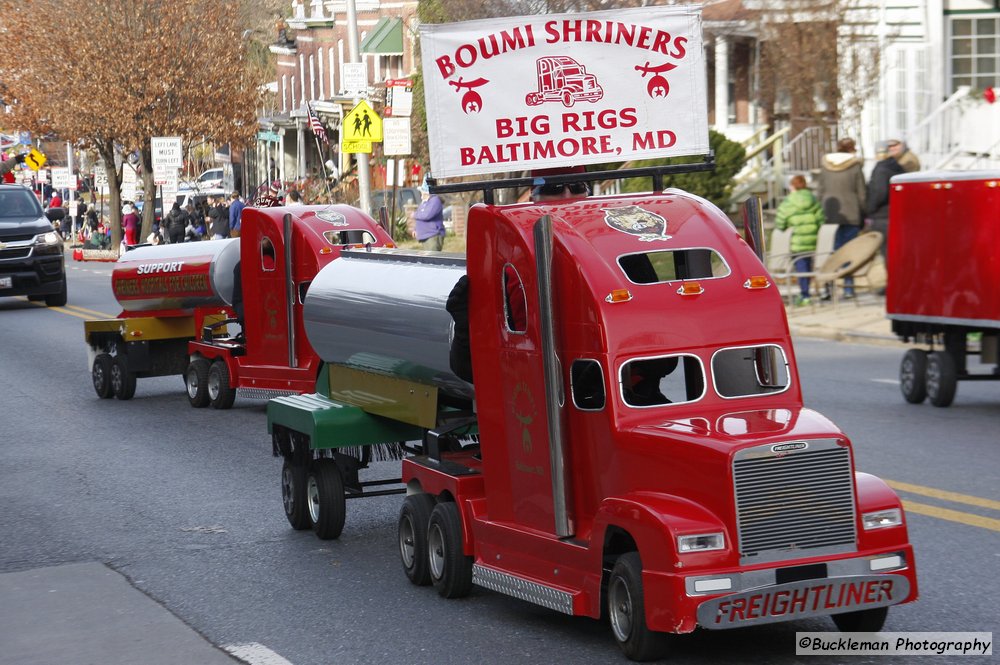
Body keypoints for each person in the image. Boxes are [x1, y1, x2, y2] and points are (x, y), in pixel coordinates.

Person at [817, 137, 866, 299]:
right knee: (848, 252)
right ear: (852, 149)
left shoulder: (825, 165)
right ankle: (848, 289)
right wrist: (864, 214)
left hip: (829, 214)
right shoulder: (855, 166)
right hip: (851, 214)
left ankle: (828, 288)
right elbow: (861, 194)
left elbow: (820, 191)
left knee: (831, 252)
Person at [774, 174, 825, 305]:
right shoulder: (813, 199)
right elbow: (821, 219)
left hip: (797, 242)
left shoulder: (788, 202)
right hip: (813, 241)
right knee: (808, 267)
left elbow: (780, 223)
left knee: (801, 267)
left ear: (792, 186)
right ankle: (807, 292)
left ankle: (805, 295)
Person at [866, 142, 906, 293]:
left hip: (882, 216)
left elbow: (879, 193)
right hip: (895, 214)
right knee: (895, 252)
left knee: (887, 252)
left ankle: (893, 285)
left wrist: (869, 209)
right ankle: (897, 283)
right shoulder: (896, 167)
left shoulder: (881, 169)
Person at [414, 182, 446, 251]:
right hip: (426, 236)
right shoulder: (425, 202)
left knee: (432, 260)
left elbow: (427, 215)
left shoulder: (435, 201)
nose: (421, 194)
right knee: (427, 260)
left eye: (422, 191)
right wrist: (416, 229)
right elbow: (419, 215)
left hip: (433, 236)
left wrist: (414, 214)